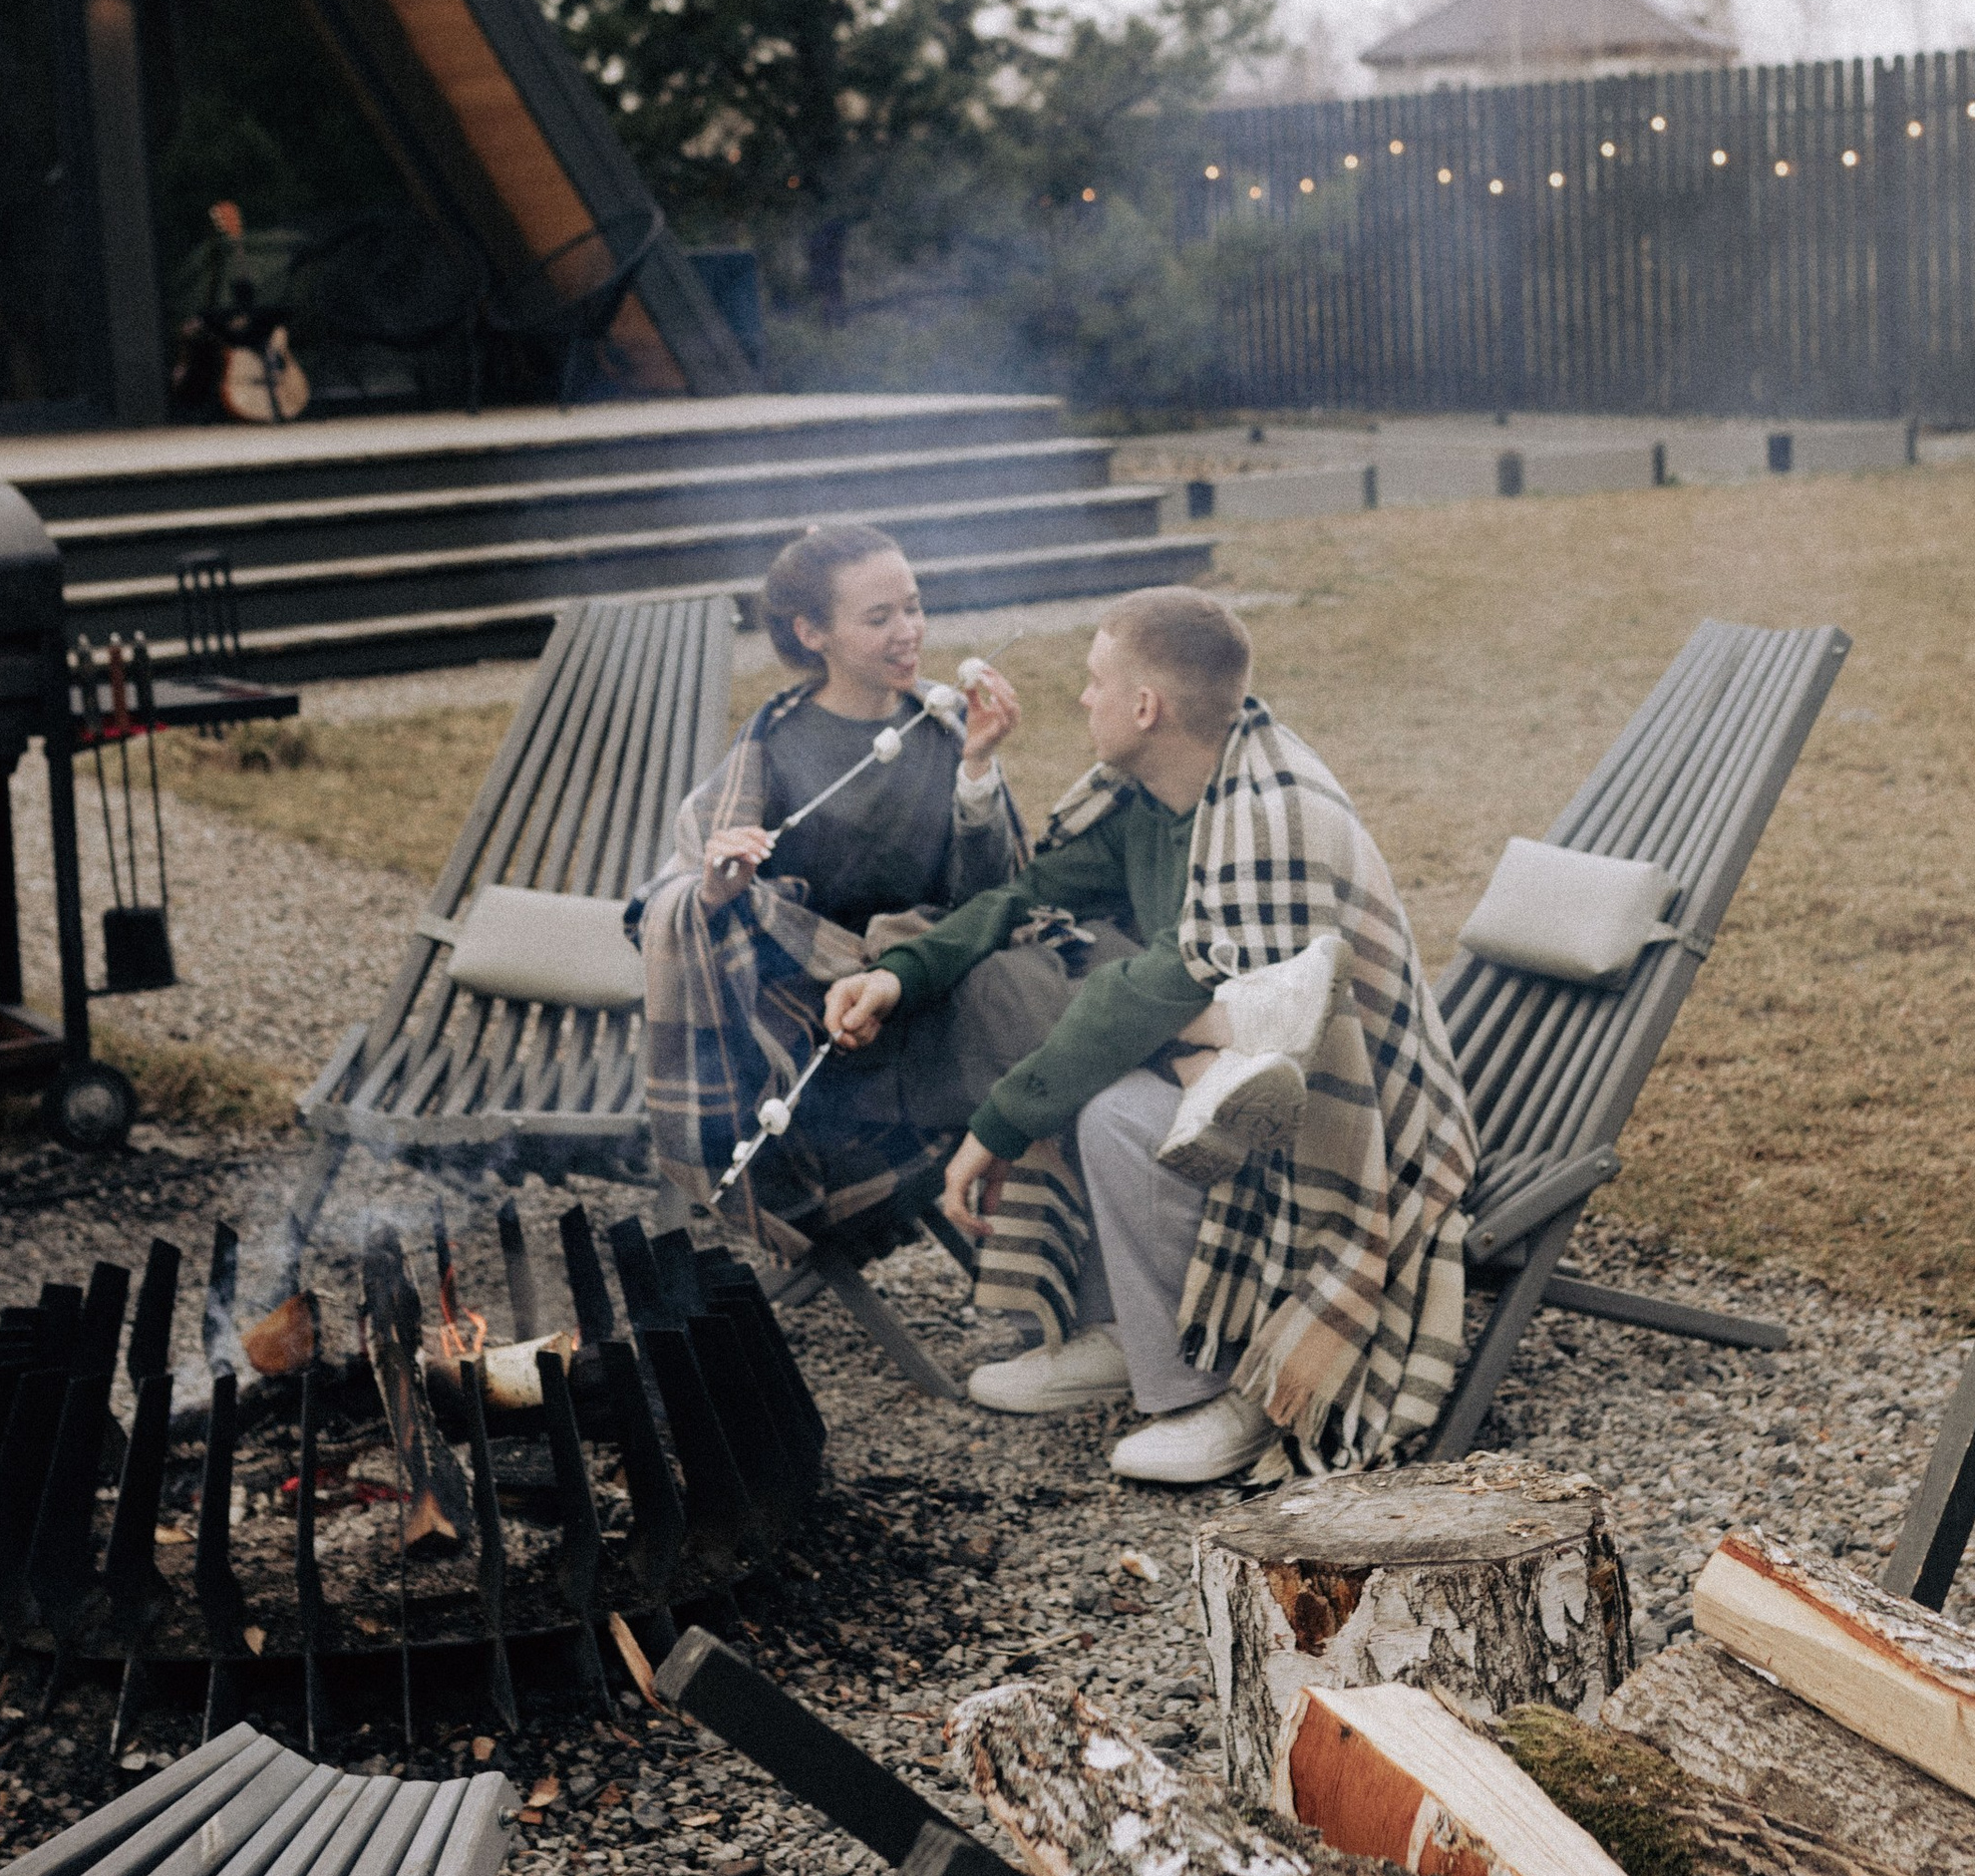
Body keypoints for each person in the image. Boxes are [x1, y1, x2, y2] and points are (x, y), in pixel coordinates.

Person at [821, 585, 1478, 1486]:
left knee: (1119, 1114)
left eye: (1095, 682)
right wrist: (902, 974)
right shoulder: (1157, 797)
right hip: (1242, 1064)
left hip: (1349, 1121)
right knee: (1063, 1045)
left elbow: (1153, 987)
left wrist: (999, 1124)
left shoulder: (1266, 817)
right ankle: (1127, 1333)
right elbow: (1029, 895)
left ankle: (1224, 1389)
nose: (1081, 699)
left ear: (1145, 706)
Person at [633, 518, 1075, 1255]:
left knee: (1048, 1007)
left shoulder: (941, 724)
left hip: (940, 992)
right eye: (879, 617)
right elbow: (666, 914)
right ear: (812, 632)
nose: (910, 631)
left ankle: (1064, 1294)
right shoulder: (770, 754)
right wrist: (716, 891)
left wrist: (977, 771)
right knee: (1051, 1041)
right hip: (837, 1053)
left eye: (913, 605)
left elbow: (994, 903)